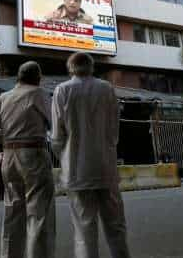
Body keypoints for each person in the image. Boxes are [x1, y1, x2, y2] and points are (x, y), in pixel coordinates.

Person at [52, 52, 131, 258]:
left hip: (77, 171)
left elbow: (57, 137)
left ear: (71, 68)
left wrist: (65, 155)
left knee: (84, 230)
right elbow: (114, 132)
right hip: (106, 167)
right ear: (92, 67)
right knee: (116, 226)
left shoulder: (62, 90)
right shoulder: (107, 89)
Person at [0, 61, 56, 258]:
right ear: (38, 78)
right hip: (34, 156)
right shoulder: (39, 94)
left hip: (9, 158)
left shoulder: (3, 97)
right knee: (39, 216)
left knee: (12, 214)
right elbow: (55, 125)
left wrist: (3, 137)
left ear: (19, 77)